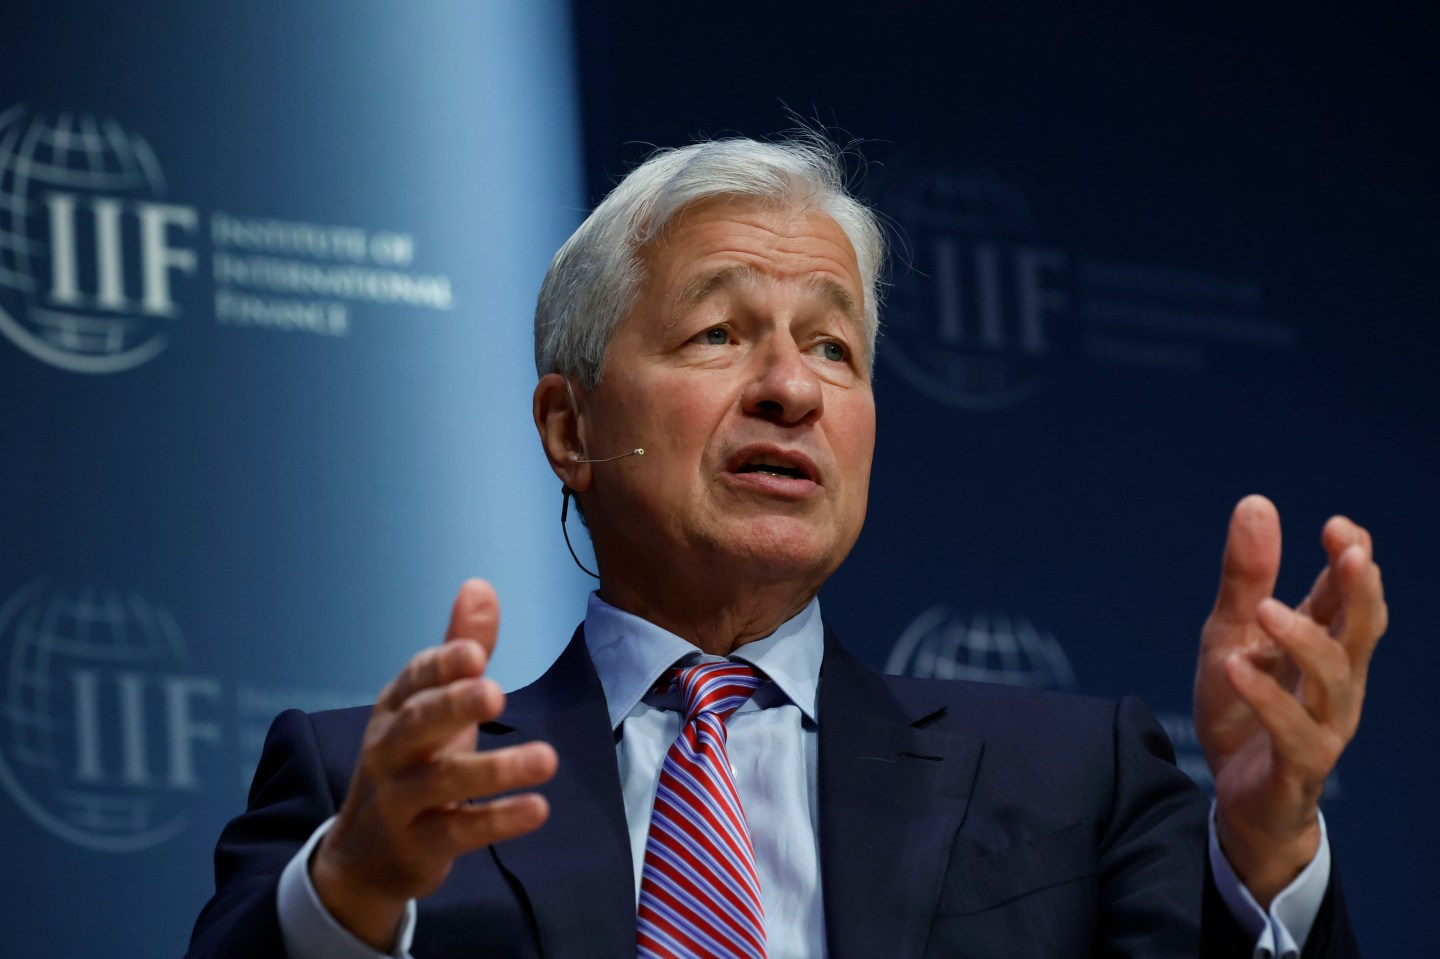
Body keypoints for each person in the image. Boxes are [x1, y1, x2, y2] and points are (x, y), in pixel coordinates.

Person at [186, 135, 1386, 958]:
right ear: (569, 426)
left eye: (832, 349)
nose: (789, 390)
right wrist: (349, 889)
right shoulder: (367, 793)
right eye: (719, 331)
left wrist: (1270, 844)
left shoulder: (1081, 778)